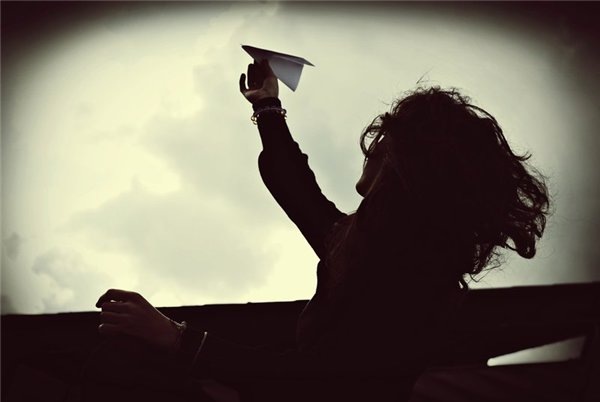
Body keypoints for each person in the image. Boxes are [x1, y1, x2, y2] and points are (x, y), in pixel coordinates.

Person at [91, 60, 550, 401]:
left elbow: (311, 378)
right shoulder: (366, 243)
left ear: (402, 162)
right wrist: (268, 106)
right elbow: (297, 189)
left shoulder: (408, 279)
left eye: (385, 138)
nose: (372, 145)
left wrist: (177, 339)